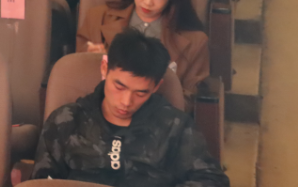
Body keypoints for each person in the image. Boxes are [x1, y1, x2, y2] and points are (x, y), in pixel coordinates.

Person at [33, 29, 227, 187]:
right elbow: (42, 182)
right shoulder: (66, 121)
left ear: (156, 87)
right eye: (119, 87)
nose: (126, 102)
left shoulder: (174, 127)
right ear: (104, 69)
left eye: (141, 93)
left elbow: (212, 180)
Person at [77, 0, 209, 108]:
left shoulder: (196, 41)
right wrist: (92, 61)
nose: (148, 2)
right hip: (101, 108)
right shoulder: (98, 18)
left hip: (158, 115)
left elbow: (190, 98)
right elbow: (76, 76)